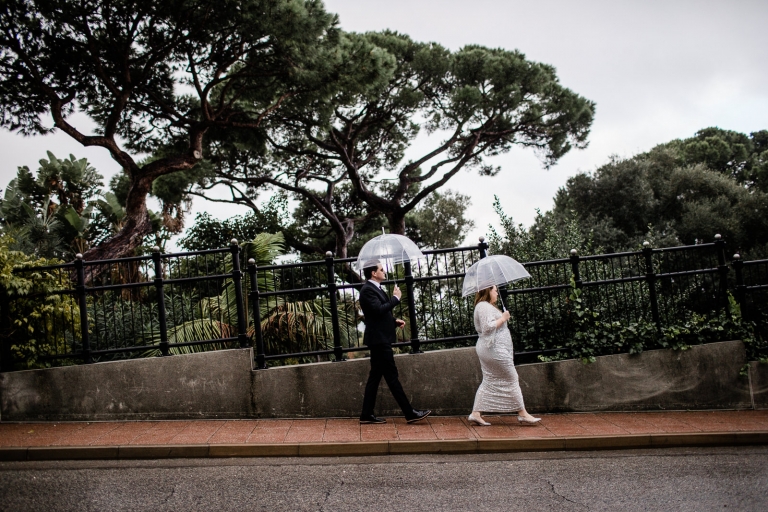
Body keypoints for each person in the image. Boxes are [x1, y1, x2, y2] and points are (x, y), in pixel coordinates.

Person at [358, 260, 431, 425]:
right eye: (382, 269)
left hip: (380, 338)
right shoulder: (367, 290)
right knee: (391, 377)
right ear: (373, 273)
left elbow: (381, 314)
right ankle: (409, 412)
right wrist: (396, 299)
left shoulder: (375, 288)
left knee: (375, 377)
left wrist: (393, 321)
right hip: (379, 340)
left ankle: (366, 414)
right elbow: (377, 310)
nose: (385, 272)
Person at [468, 285, 540, 426]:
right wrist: (503, 318)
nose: (496, 292)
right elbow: (487, 327)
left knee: (489, 379)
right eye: (495, 290)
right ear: (487, 291)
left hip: (493, 349)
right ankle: (522, 414)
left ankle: (476, 413)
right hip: (493, 350)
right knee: (512, 377)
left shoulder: (485, 306)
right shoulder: (483, 306)